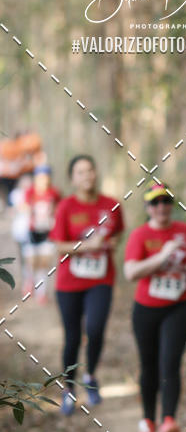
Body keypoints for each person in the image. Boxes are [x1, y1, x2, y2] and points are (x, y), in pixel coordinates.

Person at [124, 183, 186, 432]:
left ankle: (168, 420)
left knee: (169, 362)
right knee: (149, 365)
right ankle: (148, 421)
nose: (162, 207)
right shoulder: (140, 235)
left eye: (166, 201)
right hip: (146, 309)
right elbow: (131, 272)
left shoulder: (183, 231)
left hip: (179, 307)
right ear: (147, 207)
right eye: (156, 202)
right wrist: (163, 255)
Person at [49, 155, 124, 415]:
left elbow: (117, 232)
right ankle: (69, 388)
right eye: (80, 172)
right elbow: (58, 244)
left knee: (95, 328)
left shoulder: (111, 205)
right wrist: (84, 246)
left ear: (95, 173)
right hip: (69, 282)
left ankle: (90, 376)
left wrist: (111, 242)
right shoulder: (65, 207)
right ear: (73, 178)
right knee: (71, 337)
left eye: (90, 170)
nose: (87, 176)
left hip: (101, 279)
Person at [24, 164, 61, 303]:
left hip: (47, 231)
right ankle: (29, 283)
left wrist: (53, 214)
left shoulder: (54, 192)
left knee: (44, 263)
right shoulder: (30, 192)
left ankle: (41, 292)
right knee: (32, 261)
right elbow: (24, 207)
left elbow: (60, 207)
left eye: (45, 178)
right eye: (40, 178)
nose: (43, 181)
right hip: (33, 231)